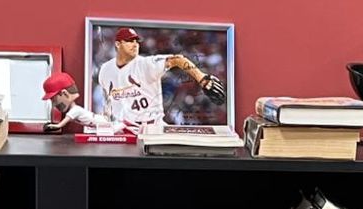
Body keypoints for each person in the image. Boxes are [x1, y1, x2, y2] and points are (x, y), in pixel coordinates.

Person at [95, 27, 226, 130]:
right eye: (129, 41)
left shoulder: (145, 64)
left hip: (153, 128)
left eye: (136, 41)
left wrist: (202, 78)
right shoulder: (105, 70)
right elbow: (108, 102)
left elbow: (178, 59)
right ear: (118, 44)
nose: (135, 44)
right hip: (124, 129)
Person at [41, 71, 120, 134]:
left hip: (100, 122)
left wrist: (54, 126)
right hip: (97, 122)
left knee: (116, 127)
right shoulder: (74, 110)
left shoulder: (75, 110)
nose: (54, 104)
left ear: (64, 93)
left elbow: (61, 124)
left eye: (54, 100)